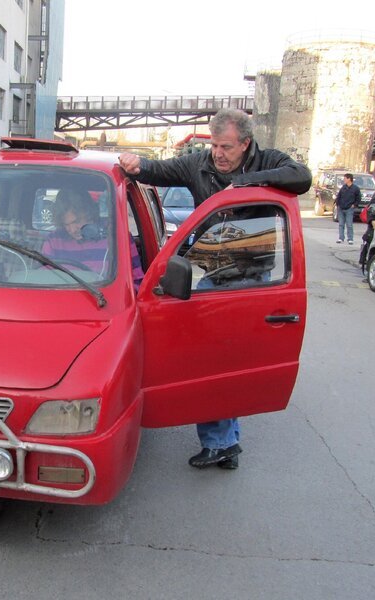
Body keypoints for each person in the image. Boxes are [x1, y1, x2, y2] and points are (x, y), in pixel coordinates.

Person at [119, 107, 312, 470]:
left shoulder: (268, 161)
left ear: (246, 144)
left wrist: (246, 183)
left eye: (226, 147)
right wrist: (136, 164)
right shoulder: (199, 164)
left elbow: (301, 177)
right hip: (210, 268)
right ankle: (223, 441)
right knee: (212, 356)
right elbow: (159, 170)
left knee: (221, 357)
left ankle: (222, 441)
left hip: (251, 275)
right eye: (215, 146)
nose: (218, 154)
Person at [41, 188, 144, 290]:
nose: (72, 230)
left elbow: (136, 282)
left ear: (89, 214)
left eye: (76, 222)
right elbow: (44, 279)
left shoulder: (116, 236)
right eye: (66, 225)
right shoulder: (54, 240)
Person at [334, 173, 360, 245]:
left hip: (349, 208)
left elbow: (358, 198)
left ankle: (350, 239)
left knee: (349, 224)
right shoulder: (343, 187)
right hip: (341, 208)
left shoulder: (355, 188)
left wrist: (354, 205)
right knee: (341, 224)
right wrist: (338, 204)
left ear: (349, 179)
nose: (344, 180)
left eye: (345, 178)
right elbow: (339, 196)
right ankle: (341, 238)